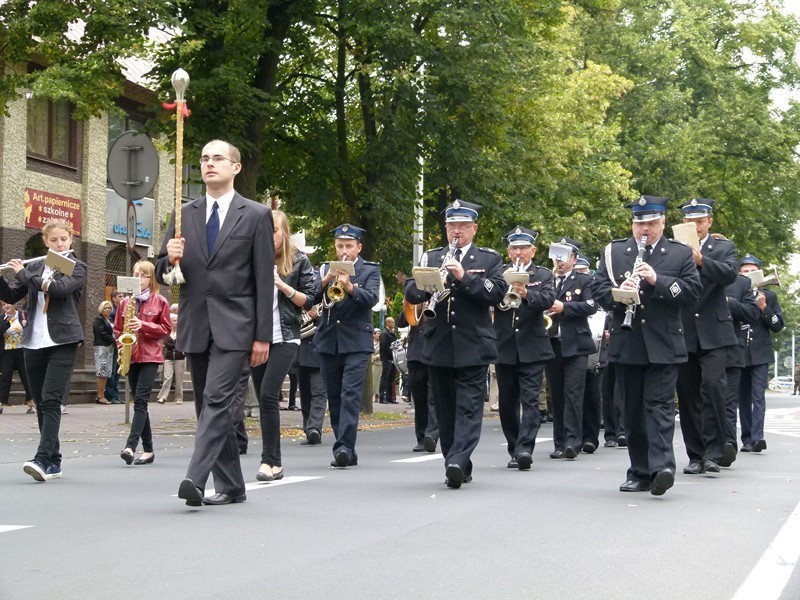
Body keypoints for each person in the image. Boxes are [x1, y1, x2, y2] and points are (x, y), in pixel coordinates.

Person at [156, 139, 274, 507]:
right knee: (207, 407)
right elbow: (162, 273)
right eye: (205, 159)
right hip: (196, 323)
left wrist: (262, 336)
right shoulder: (183, 213)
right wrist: (168, 259)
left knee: (218, 400)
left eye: (218, 159)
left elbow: (263, 279)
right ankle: (233, 485)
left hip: (237, 325)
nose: (209, 164)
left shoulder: (255, 214)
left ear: (235, 167)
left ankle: (195, 477)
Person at [594, 196, 701, 496]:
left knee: (660, 406)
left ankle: (662, 468)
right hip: (628, 342)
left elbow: (692, 291)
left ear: (663, 223)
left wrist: (658, 280)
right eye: (640, 223)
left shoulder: (678, 253)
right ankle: (639, 472)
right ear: (632, 223)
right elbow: (598, 288)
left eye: (652, 223)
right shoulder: (615, 252)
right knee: (632, 411)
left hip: (665, 343)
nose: (645, 229)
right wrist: (618, 294)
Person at [404, 200, 506, 488]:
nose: (456, 232)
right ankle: (455, 460)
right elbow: (410, 290)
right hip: (438, 343)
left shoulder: (488, 259)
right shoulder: (431, 256)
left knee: (470, 407)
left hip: (473, 344)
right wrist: (428, 285)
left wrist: (462, 277)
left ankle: (458, 460)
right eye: (451, 227)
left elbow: (496, 292)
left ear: (473, 228)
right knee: (445, 409)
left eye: (462, 226)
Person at [0, 219, 87, 481]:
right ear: (45, 242)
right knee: (40, 403)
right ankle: (54, 461)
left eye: (64, 239)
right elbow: (13, 296)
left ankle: (42, 458)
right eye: (54, 240)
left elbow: (59, 290)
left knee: (51, 400)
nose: (60, 244)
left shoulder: (76, 267)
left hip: (63, 341)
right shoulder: (37, 265)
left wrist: (23, 274)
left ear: (71, 239)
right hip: (33, 342)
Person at [250, 209, 316, 482]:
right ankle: (274, 463)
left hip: (286, 335)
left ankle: (269, 461)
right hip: (257, 337)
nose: (269, 237)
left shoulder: (299, 260)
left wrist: (283, 286)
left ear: (285, 232)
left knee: (267, 395)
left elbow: (310, 300)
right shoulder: (253, 258)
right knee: (264, 399)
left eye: (274, 230)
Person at [675, 199, 739, 475]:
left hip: (714, 331)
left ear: (709, 222)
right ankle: (696, 454)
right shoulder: (674, 250)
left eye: (700, 221)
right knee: (688, 395)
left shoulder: (724, 248)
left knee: (713, 387)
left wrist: (702, 260)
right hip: (685, 330)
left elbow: (729, 274)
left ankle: (714, 451)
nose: (695, 226)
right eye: (690, 222)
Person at [313, 224, 381, 468]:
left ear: (358, 247)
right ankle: (347, 450)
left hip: (357, 342)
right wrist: (327, 280)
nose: (344, 251)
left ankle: (343, 447)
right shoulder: (324, 269)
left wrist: (350, 286)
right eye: (340, 246)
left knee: (350, 394)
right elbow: (310, 297)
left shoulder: (370, 270)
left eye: (349, 246)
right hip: (329, 341)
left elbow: (372, 299)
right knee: (335, 396)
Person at [492, 226, 555, 470]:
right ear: (508, 251)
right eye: (514, 248)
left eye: (523, 248)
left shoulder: (543, 274)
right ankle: (513, 447)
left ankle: (525, 448)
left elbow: (549, 299)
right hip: (505, 345)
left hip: (532, 345)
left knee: (530, 401)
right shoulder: (498, 273)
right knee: (507, 402)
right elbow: (489, 299)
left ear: (533, 250)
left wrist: (526, 293)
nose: (518, 252)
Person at [545, 237, 598, 459]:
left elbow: (591, 305)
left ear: (574, 259)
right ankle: (559, 442)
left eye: (564, 256)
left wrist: (564, 307)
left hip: (576, 344)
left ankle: (573, 441)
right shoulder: (546, 279)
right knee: (555, 394)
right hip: (551, 343)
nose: (559, 261)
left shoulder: (583, 280)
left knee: (573, 393)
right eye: (556, 256)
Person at [115, 261, 171, 466]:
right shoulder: (124, 302)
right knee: (140, 403)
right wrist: (121, 346)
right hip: (131, 354)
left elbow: (166, 330)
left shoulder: (160, 301)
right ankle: (148, 450)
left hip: (150, 356)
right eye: (136, 274)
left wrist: (143, 324)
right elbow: (118, 330)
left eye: (143, 275)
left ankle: (130, 446)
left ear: (150, 279)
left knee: (140, 400)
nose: (138, 278)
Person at [737, 254, 784, 453]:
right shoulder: (735, 293)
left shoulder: (769, 296)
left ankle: (758, 437)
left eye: (752, 271)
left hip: (760, 353)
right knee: (742, 398)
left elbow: (777, 326)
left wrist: (764, 308)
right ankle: (746, 438)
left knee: (758, 396)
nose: (748, 274)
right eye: (744, 271)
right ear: (739, 274)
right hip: (739, 351)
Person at [722, 271, 760, 465]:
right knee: (702, 402)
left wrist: (728, 302)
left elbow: (752, 314)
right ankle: (704, 448)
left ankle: (728, 444)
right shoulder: (693, 277)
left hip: (732, 351)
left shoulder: (740, 283)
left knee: (730, 403)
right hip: (700, 350)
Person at [397, 305, 439, 453]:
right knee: (419, 399)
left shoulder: (440, 291)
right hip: (416, 354)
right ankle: (421, 438)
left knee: (434, 397)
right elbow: (401, 322)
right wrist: (413, 306)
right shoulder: (414, 296)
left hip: (436, 351)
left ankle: (431, 435)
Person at [298, 290, 328, 446]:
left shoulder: (326, 297)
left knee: (319, 391)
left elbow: (333, 320)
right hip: (300, 350)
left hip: (319, 350)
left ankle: (314, 428)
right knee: (305, 394)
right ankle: (308, 428)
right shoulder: (299, 296)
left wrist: (318, 316)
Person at [0, 302, 34, 414]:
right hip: (7, 352)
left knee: (26, 377)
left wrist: (26, 324)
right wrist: (6, 322)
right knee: (5, 378)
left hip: (22, 351)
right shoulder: (2, 318)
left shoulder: (23, 315)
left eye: (8, 303)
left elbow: (32, 329)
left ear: (14, 305)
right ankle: (1, 403)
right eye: (3, 304)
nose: (6, 306)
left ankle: (31, 403)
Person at [156, 310, 185, 404]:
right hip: (168, 357)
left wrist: (175, 345)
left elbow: (181, 343)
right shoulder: (167, 332)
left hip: (179, 357)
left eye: (177, 320)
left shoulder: (181, 332)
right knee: (167, 377)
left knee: (179, 378)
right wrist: (176, 345)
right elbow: (166, 343)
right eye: (174, 320)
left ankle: (179, 397)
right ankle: (162, 397)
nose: (176, 322)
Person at [92, 300, 115, 405]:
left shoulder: (109, 319)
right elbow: (101, 333)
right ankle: (100, 396)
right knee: (101, 372)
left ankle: (103, 394)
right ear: (101, 309)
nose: (107, 310)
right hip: (101, 347)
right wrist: (115, 340)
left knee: (106, 372)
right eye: (105, 308)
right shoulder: (98, 319)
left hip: (109, 348)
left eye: (109, 308)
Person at [104, 290, 123, 404]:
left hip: (119, 344)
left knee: (117, 371)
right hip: (113, 344)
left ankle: (115, 395)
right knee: (112, 371)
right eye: (120, 296)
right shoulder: (112, 313)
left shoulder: (121, 310)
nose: (122, 298)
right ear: (113, 298)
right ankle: (111, 395)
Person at [379, 317, 398, 404]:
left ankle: (390, 397)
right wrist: (391, 353)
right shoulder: (384, 333)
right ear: (388, 323)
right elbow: (384, 346)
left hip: (392, 358)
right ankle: (382, 397)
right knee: (385, 378)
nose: (394, 324)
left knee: (391, 378)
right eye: (393, 322)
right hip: (387, 358)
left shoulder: (392, 333)